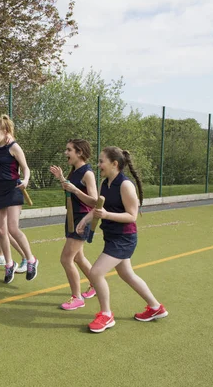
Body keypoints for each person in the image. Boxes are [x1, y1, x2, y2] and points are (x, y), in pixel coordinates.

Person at [77, 146, 168, 333]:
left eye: (102, 161)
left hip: (124, 238)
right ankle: (155, 307)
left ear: (114, 164)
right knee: (127, 274)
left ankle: (106, 314)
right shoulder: (104, 183)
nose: (99, 164)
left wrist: (107, 215)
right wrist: (85, 220)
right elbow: (98, 208)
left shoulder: (125, 185)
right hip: (112, 236)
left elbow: (132, 216)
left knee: (95, 273)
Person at [0, 114, 37, 283]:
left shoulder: (14, 147)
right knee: (0, 230)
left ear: (6, 132)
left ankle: (31, 260)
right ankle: (9, 264)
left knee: (13, 228)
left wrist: (26, 180)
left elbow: (25, 168)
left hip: (13, 189)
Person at [49, 139, 97, 310]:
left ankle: (77, 298)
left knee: (66, 259)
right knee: (78, 257)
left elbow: (95, 201)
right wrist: (62, 178)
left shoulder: (87, 173)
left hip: (82, 219)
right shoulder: (74, 171)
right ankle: (95, 284)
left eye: (69, 150)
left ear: (80, 152)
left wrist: (75, 190)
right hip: (71, 216)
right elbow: (70, 189)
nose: (65, 153)